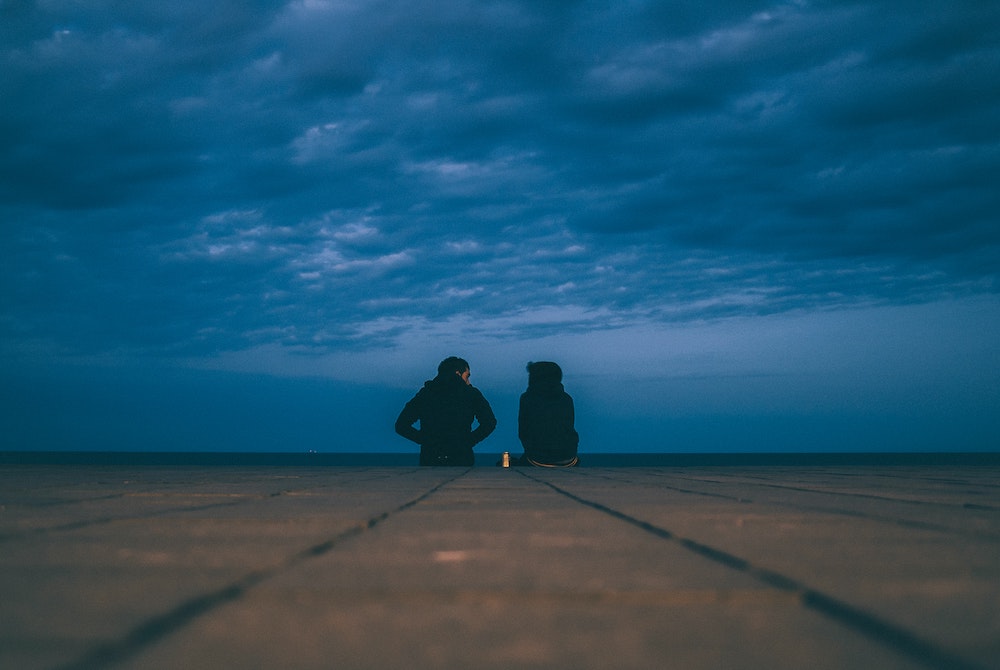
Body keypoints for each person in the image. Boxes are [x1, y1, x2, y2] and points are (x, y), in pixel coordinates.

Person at [395, 356, 497, 466]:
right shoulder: (471, 394)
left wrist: (426, 440)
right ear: (458, 373)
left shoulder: (426, 394)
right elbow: (490, 422)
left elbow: (401, 425)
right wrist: (468, 442)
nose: (469, 382)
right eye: (467, 376)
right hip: (461, 458)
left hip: (431, 458)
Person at [515, 361, 579, 467]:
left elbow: (523, 431)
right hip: (569, 457)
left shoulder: (527, 398)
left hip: (539, 458)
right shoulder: (566, 399)